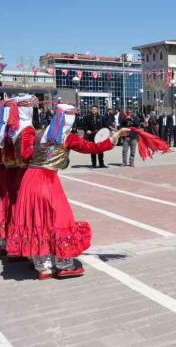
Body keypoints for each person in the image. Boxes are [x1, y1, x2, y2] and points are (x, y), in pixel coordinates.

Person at [7, 103, 131, 279]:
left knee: (37, 220)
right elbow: (93, 148)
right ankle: (63, 264)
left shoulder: (39, 133)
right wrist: (115, 136)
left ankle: (43, 267)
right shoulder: (67, 137)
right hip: (47, 180)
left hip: (29, 179)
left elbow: (26, 155)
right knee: (60, 219)